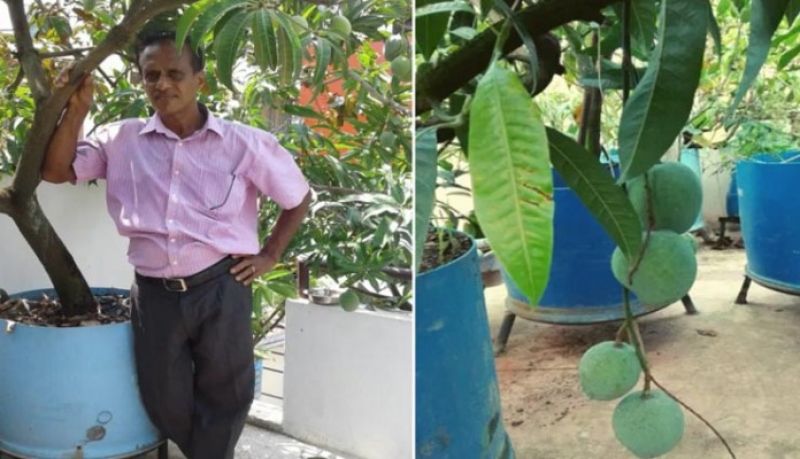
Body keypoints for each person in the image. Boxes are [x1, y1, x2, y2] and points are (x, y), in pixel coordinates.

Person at [41, 29, 311, 459]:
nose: (162, 84)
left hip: (221, 286)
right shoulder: (120, 139)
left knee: (226, 392)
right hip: (154, 294)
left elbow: (297, 199)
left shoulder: (245, 144)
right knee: (162, 397)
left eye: (174, 73)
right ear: (141, 79)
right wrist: (77, 111)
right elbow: (56, 172)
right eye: (151, 75)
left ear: (199, 79)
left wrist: (269, 255)